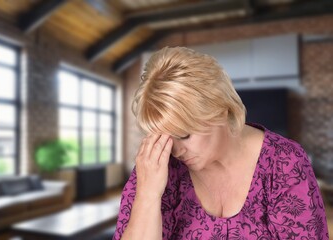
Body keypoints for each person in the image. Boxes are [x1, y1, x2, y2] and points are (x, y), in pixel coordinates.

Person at [113, 46, 329, 239]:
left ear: (221, 111)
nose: (175, 151)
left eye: (184, 135)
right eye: (164, 136)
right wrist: (148, 194)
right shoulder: (155, 167)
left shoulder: (285, 163)